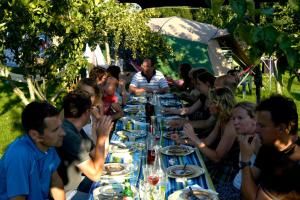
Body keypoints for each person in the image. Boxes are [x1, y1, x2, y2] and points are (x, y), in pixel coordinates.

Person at [0, 102, 65, 200]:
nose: (63, 133)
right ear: (35, 135)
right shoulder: (19, 155)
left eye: (60, 126)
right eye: (55, 130)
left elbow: (56, 182)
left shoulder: (48, 145)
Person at [239, 95, 300, 199]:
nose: (256, 130)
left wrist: (245, 162)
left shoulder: (292, 163)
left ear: (281, 128)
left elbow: (253, 197)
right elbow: (246, 184)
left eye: (262, 126)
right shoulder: (269, 146)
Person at [56, 91, 113, 197]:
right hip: (70, 193)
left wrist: (105, 132)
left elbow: (101, 156)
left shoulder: (74, 128)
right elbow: (95, 175)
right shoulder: (69, 135)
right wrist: (101, 137)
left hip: (80, 182)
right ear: (87, 112)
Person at [184, 87, 239, 186]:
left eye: (212, 102)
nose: (208, 105)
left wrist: (194, 138)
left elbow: (217, 157)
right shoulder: (221, 118)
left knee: (194, 178)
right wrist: (183, 141)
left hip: (230, 171)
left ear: (221, 104)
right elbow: (207, 141)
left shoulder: (231, 124)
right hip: (220, 164)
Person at [217, 102, 259, 200]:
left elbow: (255, 177)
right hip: (232, 186)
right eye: (234, 118)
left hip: (239, 193)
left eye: (240, 118)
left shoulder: (257, 142)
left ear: (254, 119)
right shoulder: (244, 137)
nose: (235, 122)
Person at [164, 71, 216, 137]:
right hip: (193, 130)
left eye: (199, 84)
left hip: (201, 135)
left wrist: (184, 123)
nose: (197, 86)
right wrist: (171, 110)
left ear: (208, 84)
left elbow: (207, 123)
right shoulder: (203, 97)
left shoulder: (216, 101)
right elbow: (190, 110)